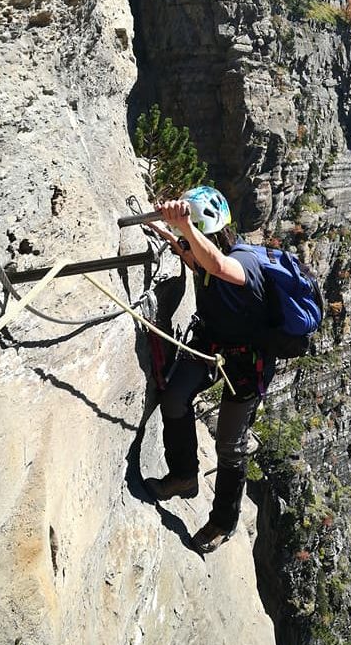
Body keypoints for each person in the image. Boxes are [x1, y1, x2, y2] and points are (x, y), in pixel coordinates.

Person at [144, 186, 277, 554]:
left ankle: (222, 522)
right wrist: (166, 229)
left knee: (229, 446)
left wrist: (184, 227)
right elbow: (195, 259)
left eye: (195, 236)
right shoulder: (201, 253)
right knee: (174, 401)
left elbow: (217, 265)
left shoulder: (243, 261)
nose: (189, 247)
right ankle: (185, 476)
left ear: (207, 232)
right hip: (211, 346)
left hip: (247, 362)